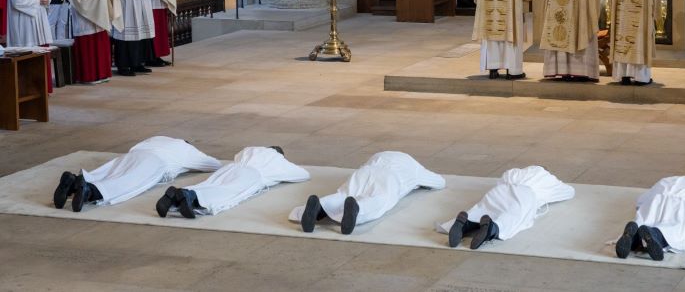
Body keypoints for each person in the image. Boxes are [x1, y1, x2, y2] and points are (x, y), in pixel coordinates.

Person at [52, 136, 222, 213]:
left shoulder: (159, 137)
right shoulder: (188, 150)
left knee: (110, 172)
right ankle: (89, 191)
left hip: (133, 155)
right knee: (128, 183)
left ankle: (74, 182)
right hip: (156, 162)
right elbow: (215, 165)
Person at [291, 151, 446, 235]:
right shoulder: (415, 167)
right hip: (390, 178)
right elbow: (439, 182)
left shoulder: (380, 154)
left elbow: (366, 163)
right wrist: (419, 183)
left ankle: (319, 206)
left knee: (343, 194)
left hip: (365, 171)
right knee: (379, 200)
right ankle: (358, 208)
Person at [440, 166, 574, 250]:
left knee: (482, 208)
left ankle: (465, 224)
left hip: (500, 190)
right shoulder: (548, 179)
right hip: (526, 194)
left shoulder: (515, 172)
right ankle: (492, 229)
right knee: (512, 218)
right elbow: (569, 192)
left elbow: (503, 178)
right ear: (547, 171)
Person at [156, 146, 310, 218]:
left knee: (210, 185)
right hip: (253, 176)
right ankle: (188, 196)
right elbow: (304, 175)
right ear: (280, 154)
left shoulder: (251, 149)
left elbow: (238, 155)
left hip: (232, 168)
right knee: (225, 193)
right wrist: (284, 163)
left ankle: (175, 196)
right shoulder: (279, 161)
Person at [614, 176, 685, 261]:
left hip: (656, 198)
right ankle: (656, 236)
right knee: (674, 228)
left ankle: (634, 238)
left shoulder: (663, 182)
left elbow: (639, 203)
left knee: (644, 219)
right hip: (684, 202)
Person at [69, 0, 123, 84]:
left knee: (100, 43)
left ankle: (102, 73)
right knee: (89, 46)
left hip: (98, 14)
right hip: (85, 16)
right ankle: (89, 76)